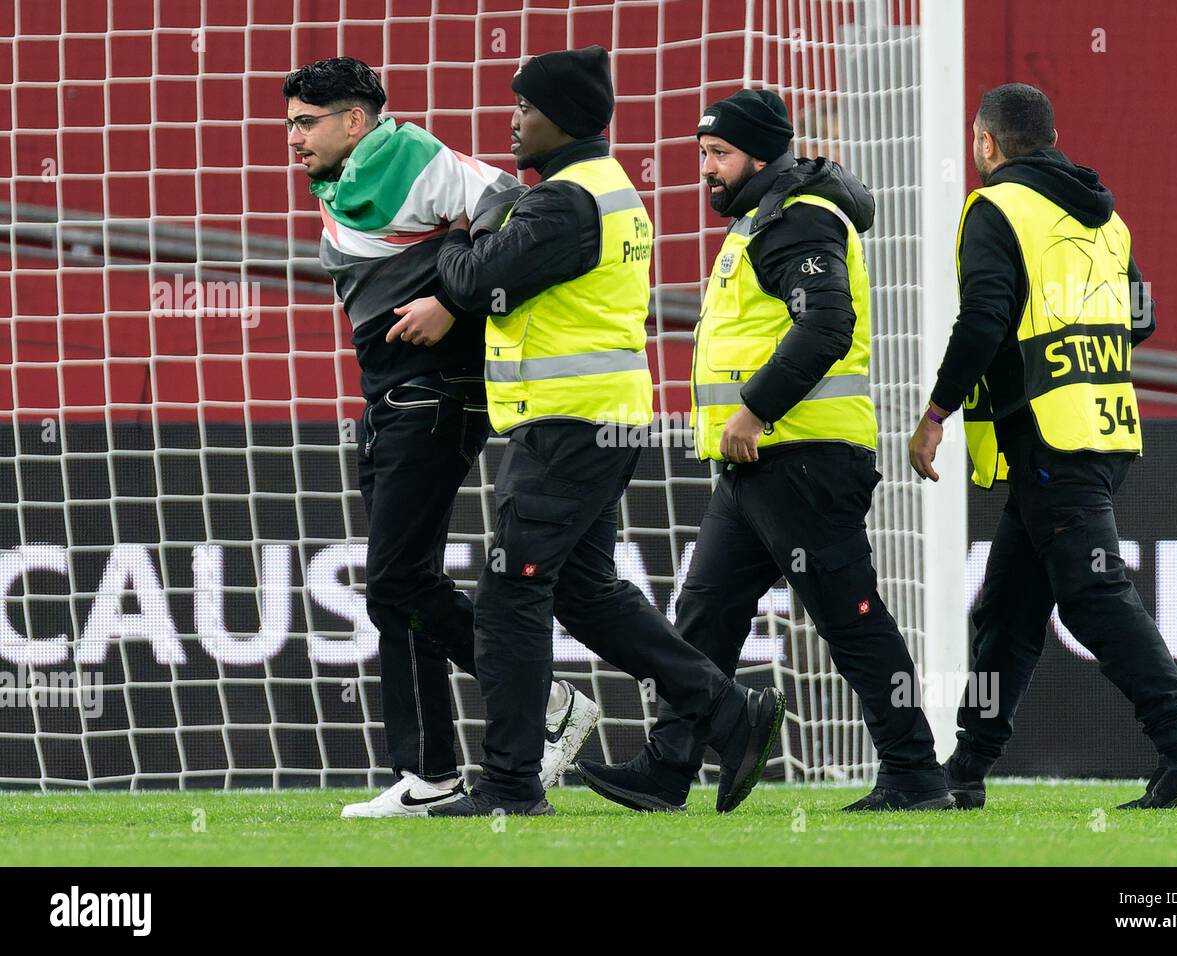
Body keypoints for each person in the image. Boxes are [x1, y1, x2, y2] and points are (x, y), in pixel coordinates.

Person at [416, 46, 784, 817]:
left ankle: (511, 786)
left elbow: (478, 281)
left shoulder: (563, 203)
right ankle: (725, 711)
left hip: (570, 429)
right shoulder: (605, 191)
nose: (511, 120)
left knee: (509, 600)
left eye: (524, 107)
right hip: (598, 424)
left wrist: (450, 238)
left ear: (564, 118)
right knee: (585, 594)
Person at [574, 89, 955, 813]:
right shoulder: (769, 217)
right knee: (705, 615)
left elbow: (826, 326)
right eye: (702, 155)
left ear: (759, 154)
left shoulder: (797, 219)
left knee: (849, 616)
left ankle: (914, 773)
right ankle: (669, 767)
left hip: (800, 454)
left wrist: (753, 411)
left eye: (718, 154)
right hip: (760, 459)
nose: (705, 170)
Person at [283, 56, 599, 819]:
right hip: (394, 392)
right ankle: (428, 773)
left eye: (305, 123)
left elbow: (507, 204)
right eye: (289, 123)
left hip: (435, 393)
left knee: (395, 581)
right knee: (401, 587)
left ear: (354, 120)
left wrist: (456, 308)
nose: (292, 139)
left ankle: (545, 702)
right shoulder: (360, 170)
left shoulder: (411, 155)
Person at [907, 82, 1177, 810]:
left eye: (975, 142)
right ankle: (965, 771)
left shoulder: (996, 207)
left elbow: (985, 315)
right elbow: (1139, 316)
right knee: (1011, 608)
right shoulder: (1104, 219)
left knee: (1090, 595)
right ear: (1050, 138)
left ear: (988, 143)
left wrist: (937, 412)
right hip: (1103, 423)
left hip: (1049, 433)